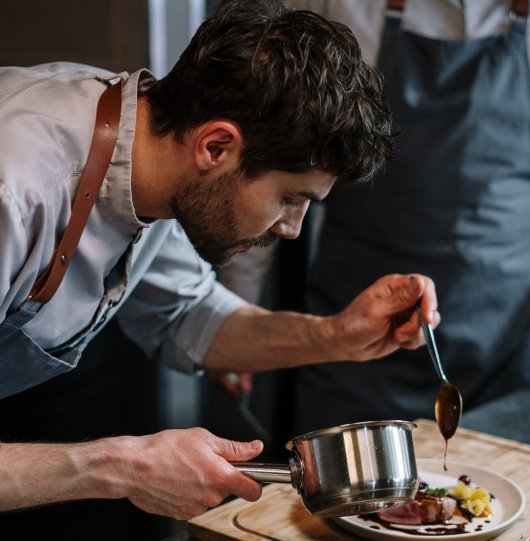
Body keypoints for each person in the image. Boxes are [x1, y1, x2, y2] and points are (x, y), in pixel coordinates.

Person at [0, 0, 439, 521]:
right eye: (290, 198)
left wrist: (337, 335)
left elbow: (189, 316)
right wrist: (117, 467)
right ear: (216, 147)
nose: (291, 228)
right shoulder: (16, 193)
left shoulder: (151, 149)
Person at [276, 0, 530, 435]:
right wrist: (240, 310)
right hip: (356, 335)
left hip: (514, 335)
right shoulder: (331, 5)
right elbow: (273, 152)